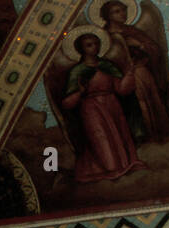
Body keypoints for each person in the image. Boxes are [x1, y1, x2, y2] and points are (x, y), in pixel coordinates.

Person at [60, 30, 148, 182]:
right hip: (91, 109)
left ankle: (125, 164)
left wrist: (129, 73)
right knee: (100, 138)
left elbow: (121, 89)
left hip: (112, 104)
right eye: (89, 45)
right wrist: (80, 92)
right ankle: (110, 168)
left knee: (119, 134)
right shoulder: (77, 71)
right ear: (81, 49)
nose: (94, 47)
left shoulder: (107, 66)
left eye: (96, 44)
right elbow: (67, 103)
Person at [99, 0, 169, 143]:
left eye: (123, 10)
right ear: (107, 16)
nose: (122, 14)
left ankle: (163, 132)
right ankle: (144, 134)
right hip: (123, 79)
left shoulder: (131, 31)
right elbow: (105, 62)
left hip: (142, 71)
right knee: (137, 106)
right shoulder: (104, 37)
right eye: (116, 11)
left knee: (153, 98)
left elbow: (155, 48)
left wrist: (140, 45)